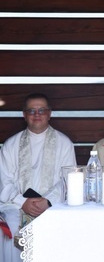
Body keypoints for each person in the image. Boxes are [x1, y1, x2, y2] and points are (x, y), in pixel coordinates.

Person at [0, 93, 76, 262]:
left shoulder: (64, 143)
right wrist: (22, 202)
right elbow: (4, 180)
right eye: (31, 110)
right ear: (24, 115)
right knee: (11, 228)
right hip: (16, 205)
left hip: (52, 204)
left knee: (61, 226)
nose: (37, 114)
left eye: (41, 110)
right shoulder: (11, 144)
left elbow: (68, 179)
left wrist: (48, 201)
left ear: (49, 114)